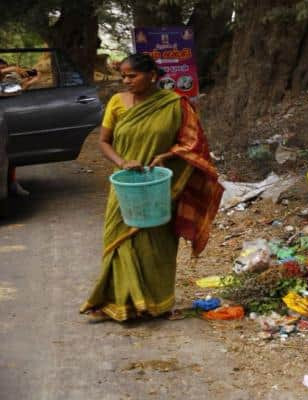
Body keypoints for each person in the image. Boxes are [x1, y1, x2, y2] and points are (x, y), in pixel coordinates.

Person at [80, 53, 222, 322]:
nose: (126, 81)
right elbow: (103, 142)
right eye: (123, 76)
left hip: (158, 187)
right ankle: (118, 303)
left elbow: (194, 144)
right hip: (125, 187)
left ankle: (154, 303)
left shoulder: (175, 104)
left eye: (132, 75)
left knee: (156, 244)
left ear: (152, 75)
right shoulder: (116, 103)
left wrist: (168, 155)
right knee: (117, 241)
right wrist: (122, 162)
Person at [0, 58, 34, 196]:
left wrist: (32, 81)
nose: (3, 72)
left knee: (8, 156)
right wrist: (13, 69)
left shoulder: (6, 83)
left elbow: (16, 89)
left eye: (4, 69)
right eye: (2, 69)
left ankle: (11, 184)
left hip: (4, 128)